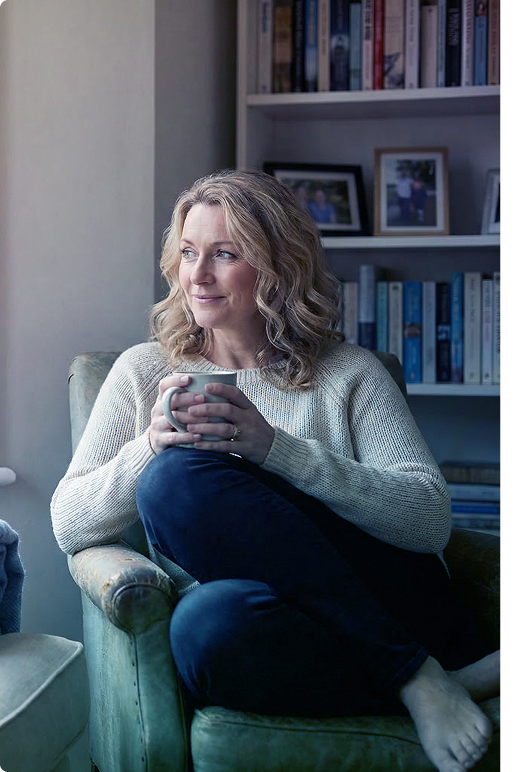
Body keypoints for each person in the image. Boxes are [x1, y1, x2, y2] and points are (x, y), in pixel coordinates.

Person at [51, 170, 500, 772]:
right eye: (188, 253)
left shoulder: (349, 374)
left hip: (394, 599)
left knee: (178, 479)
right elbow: (68, 525)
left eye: (224, 254)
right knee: (205, 624)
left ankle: (415, 668)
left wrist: (276, 449)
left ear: (276, 266)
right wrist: (147, 448)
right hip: (281, 633)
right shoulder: (140, 373)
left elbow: (428, 524)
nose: (198, 274)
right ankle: (429, 679)